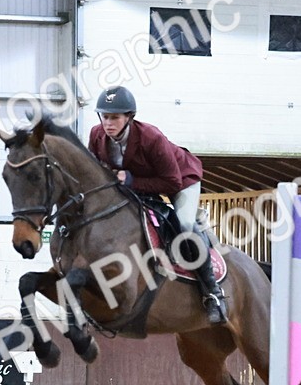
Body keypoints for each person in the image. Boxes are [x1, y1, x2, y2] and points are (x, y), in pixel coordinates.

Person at [87, 86, 227, 325]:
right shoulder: (96, 135)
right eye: (105, 116)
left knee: (183, 224)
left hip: (181, 180)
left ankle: (212, 294)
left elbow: (170, 181)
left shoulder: (151, 137)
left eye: (115, 117)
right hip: (138, 185)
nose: (108, 123)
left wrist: (130, 180)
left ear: (129, 117)